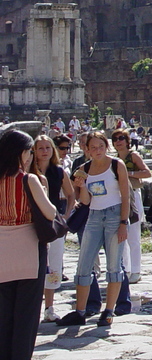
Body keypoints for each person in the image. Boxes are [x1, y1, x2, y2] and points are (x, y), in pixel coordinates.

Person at [58, 130, 131, 327]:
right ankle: (80, 311)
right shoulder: (84, 168)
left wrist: (124, 222)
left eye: (101, 146)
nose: (97, 150)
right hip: (94, 216)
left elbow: (125, 196)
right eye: (93, 147)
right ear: (87, 149)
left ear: (106, 147)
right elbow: (86, 201)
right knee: (84, 264)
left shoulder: (117, 165)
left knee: (114, 265)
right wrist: (80, 186)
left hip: (115, 215)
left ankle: (108, 311)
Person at [0, 129, 57, 360]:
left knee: (4, 312)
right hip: (28, 247)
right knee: (26, 313)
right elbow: (51, 213)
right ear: (22, 153)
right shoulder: (28, 179)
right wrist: (43, 191)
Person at [32, 134, 75, 322]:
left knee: (54, 264)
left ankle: (49, 307)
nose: (44, 151)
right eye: (40, 148)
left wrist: (65, 216)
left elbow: (71, 194)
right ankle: (33, 306)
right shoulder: (28, 171)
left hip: (53, 222)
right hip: (31, 222)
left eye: (47, 148)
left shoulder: (58, 171)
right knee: (33, 265)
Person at [113, 128, 151, 283]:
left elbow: (147, 172)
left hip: (133, 195)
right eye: (115, 139)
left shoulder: (133, 156)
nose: (118, 141)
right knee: (121, 235)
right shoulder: (114, 159)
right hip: (119, 197)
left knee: (134, 235)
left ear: (127, 140)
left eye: (121, 138)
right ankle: (126, 268)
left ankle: (136, 270)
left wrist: (128, 174)